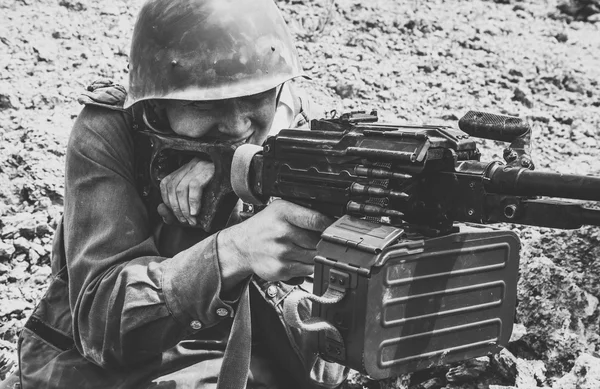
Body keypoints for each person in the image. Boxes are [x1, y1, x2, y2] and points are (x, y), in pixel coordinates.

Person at [9, 0, 347, 388]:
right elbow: (100, 325)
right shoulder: (111, 133)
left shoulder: (297, 133)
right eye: (208, 104)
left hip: (252, 353)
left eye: (255, 98)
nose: (238, 124)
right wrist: (234, 250)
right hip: (119, 365)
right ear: (157, 105)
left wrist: (232, 170)